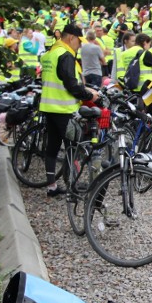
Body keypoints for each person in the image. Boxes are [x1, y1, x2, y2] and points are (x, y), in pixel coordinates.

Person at [38, 24, 99, 196]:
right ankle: (71, 185)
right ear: (71, 37)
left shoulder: (50, 53)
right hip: (64, 109)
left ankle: (52, 187)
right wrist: (88, 95)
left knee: (52, 147)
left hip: (49, 107)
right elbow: (70, 84)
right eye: (78, 42)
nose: (79, 46)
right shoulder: (65, 55)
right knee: (73, 146)